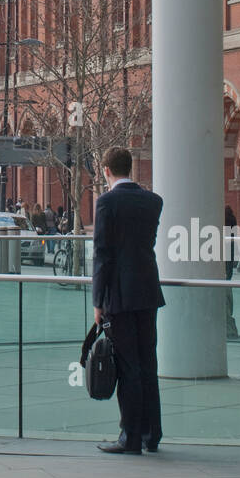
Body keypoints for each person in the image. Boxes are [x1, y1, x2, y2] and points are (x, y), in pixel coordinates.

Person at [92, 147, 165, 454]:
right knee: (148, 363)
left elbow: (103, 255)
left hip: (119, 295)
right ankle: (152, 434)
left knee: (128, 366)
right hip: (148, 290)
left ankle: (130, 436)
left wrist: (98, 301)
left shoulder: (106, 202)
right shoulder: (153, 201)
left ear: (106, 170)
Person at [224, 205, 240, 338]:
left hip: (222, 247)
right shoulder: (233, 219)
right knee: (227, 268)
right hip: (230, 246)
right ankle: (227, 277)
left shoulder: (221, 219)